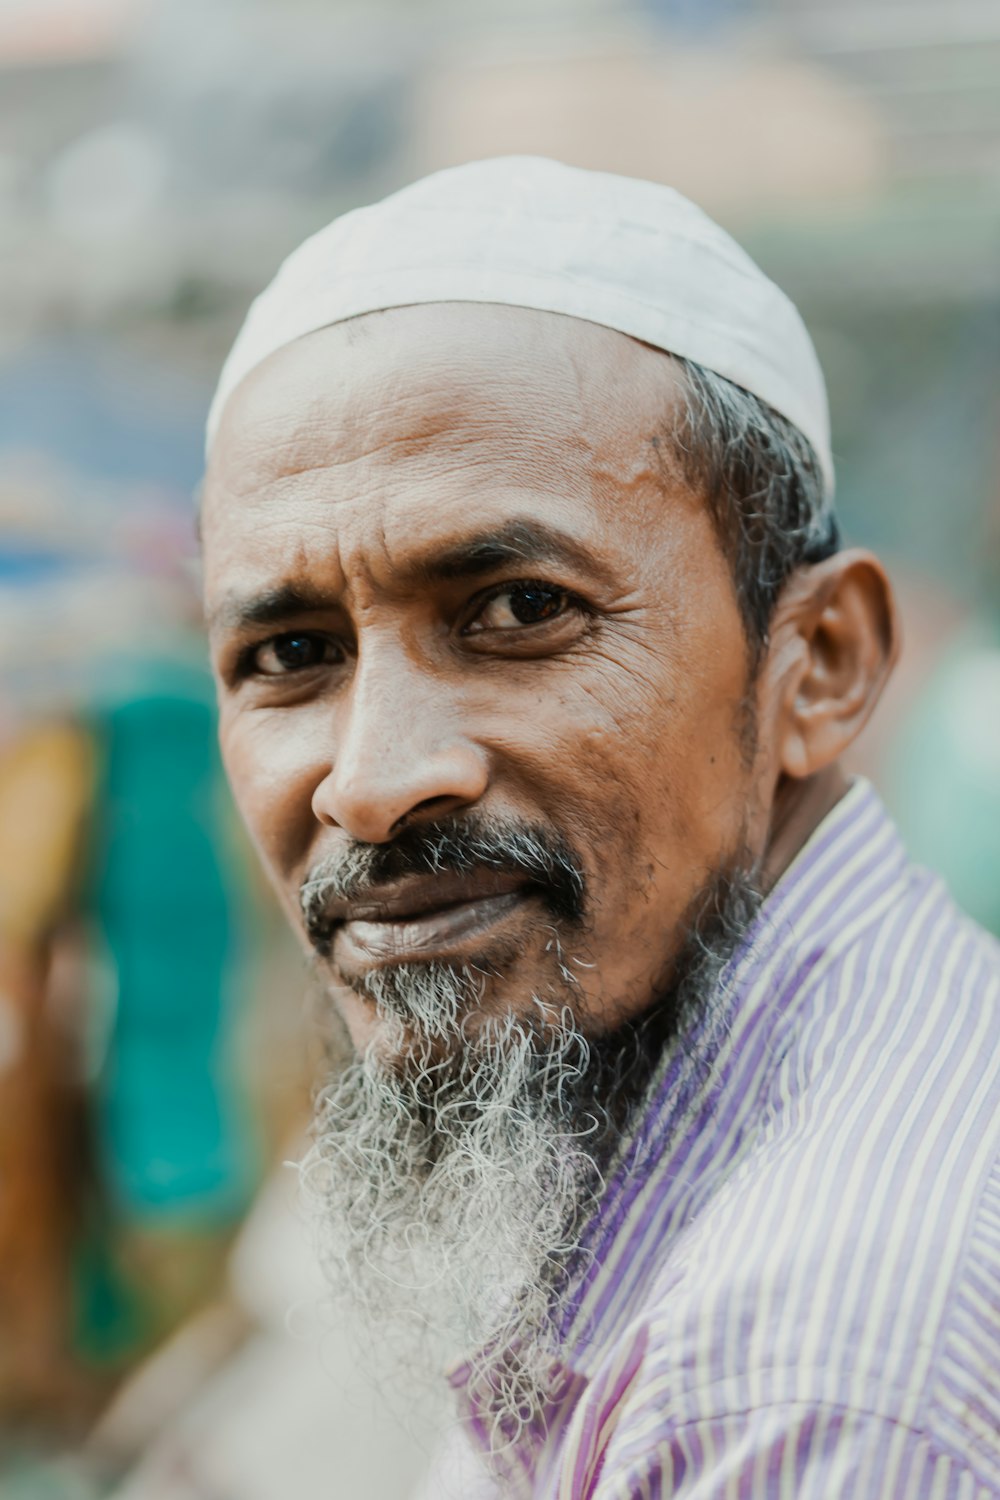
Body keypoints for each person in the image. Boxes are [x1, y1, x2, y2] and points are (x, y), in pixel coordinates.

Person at [199, 158, 1000, 1498]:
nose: (372, 783)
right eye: (289, 652)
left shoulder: (808, 1383)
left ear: (818, 663)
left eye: (518, 611)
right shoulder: (637, 1081)